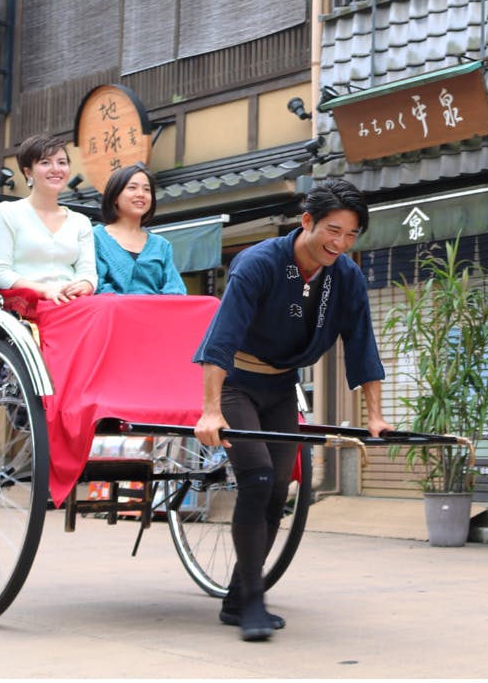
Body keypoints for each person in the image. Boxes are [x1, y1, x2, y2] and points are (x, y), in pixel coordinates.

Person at [192, 178, 391, 642]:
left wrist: (375, 415)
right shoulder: (258, 263)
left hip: (281, 387)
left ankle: (239, 596)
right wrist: (209, 409)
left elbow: (363, 345)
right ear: (307, 222)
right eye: (332, 231)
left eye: (350, 235)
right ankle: (254, 601)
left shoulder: (346, 277)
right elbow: (219, 340)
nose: (339, 244)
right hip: (237, 384)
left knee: (280, 487)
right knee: (257, 477)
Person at [0, 134, 96, 304]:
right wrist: (46, 291)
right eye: (45, 163)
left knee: (115, 307)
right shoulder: (6, 213)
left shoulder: (80, 222)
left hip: (72, 301)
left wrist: (85, 284)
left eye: (62, 162)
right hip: (27, 303)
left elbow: (87, 272)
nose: (56, 169)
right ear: (28, 172)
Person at [93, 163, 186, 295]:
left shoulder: (161, 245)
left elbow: (175, 289)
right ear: (114, 197)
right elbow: (96, 284)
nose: (141, 194)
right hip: (113, 313)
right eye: (132, 188)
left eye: (147, 190)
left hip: (155, 313)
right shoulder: (95, 237)